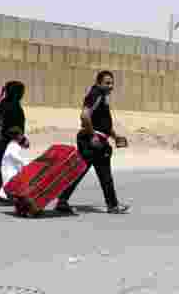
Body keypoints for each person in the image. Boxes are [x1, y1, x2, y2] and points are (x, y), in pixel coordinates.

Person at [54, 70, 130, 215]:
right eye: (107, 83)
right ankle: (112, 205)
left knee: (86, 172)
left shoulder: (101, 96)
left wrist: (115, 137)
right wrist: (93, 136)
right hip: (93, 142)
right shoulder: (96, 95)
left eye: (112, 82)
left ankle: (63, 201)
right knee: (96, 173)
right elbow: (84, 116)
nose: (111, 86)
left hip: (96, 141)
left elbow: (102, 123)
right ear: (98, 83)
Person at [0, 126, 29, 204]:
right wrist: (25, 163)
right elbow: (15, 156)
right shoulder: (13, 145)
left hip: (12, 167)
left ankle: (4, 197)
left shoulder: (15, 144)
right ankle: (2, 198)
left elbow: (26, 145)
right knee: (9, 181)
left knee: (11, 182)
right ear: (17, 136)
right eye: (21, 135)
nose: (22, 136)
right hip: (8, 168)